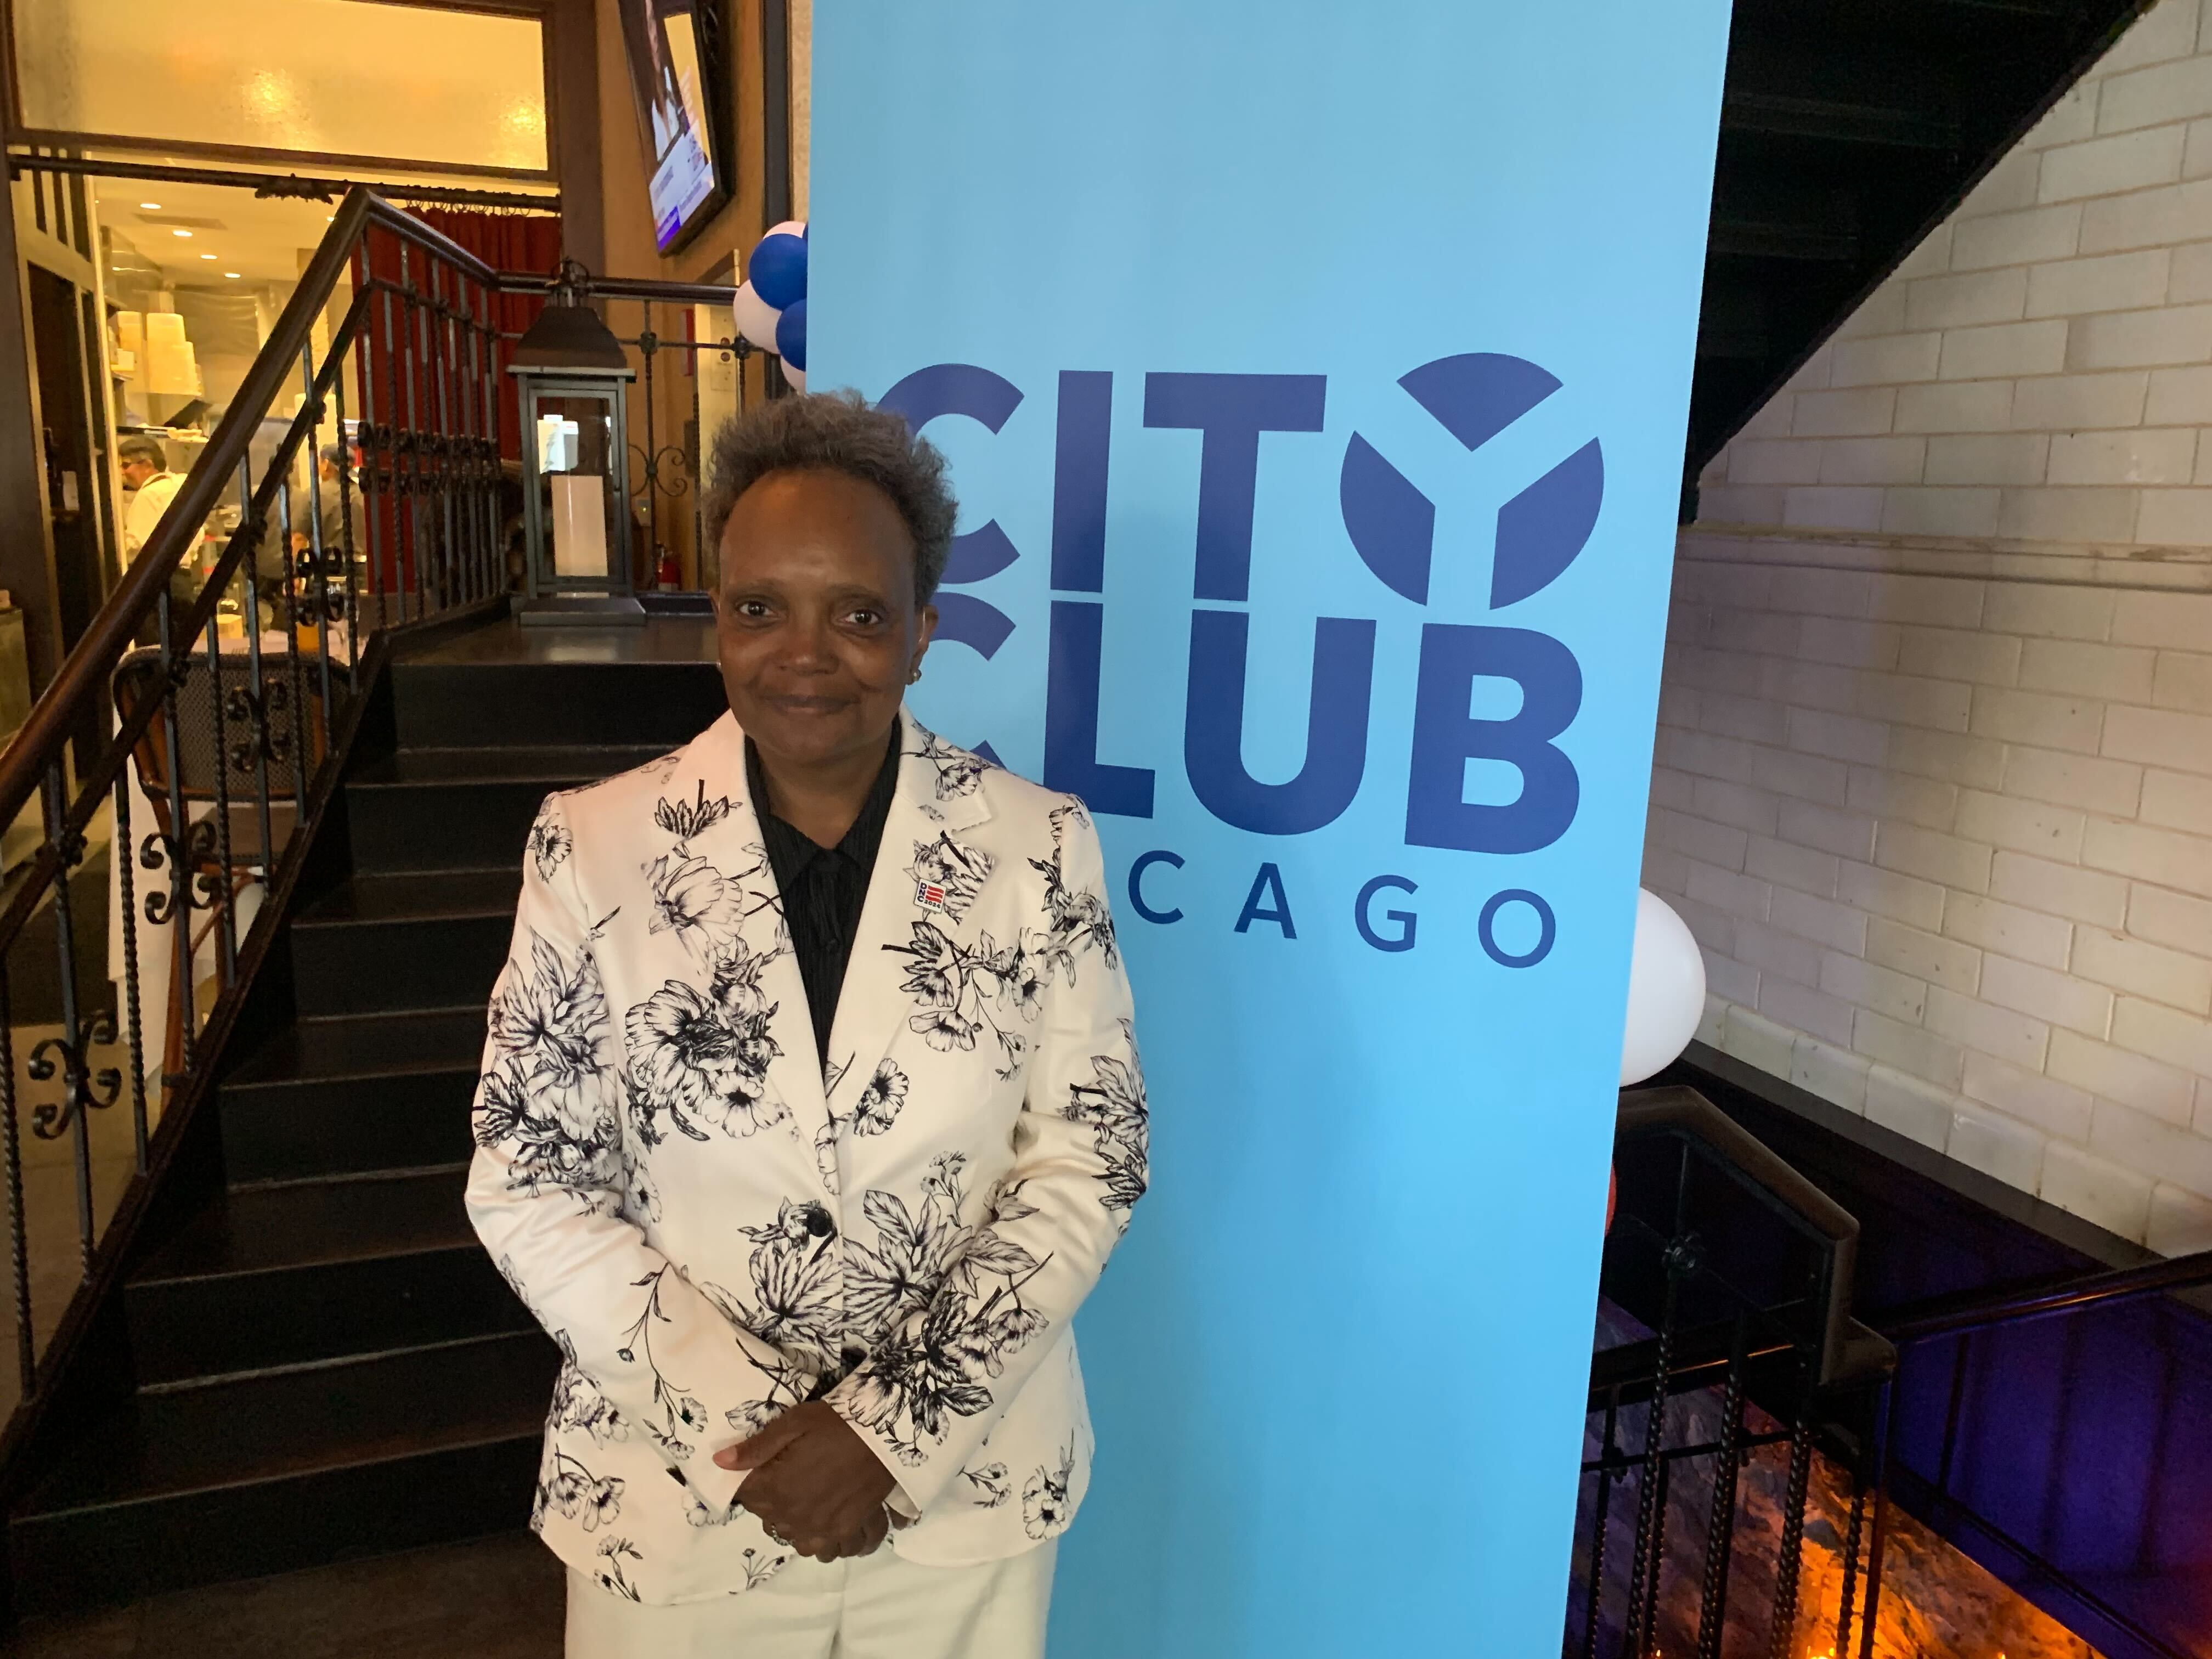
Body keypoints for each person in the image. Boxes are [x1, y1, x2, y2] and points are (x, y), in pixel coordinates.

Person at [467, 392, 1148, 1659]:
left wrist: (891, 1429)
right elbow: (529, 1185)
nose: (806, 650)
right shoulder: (592, 845)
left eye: (860, 612)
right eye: (760, 607)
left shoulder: (1036, 845)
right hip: (673, 1515)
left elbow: (1090, 1160)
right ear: (716, 621)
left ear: (924, 630)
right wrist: (757, 1439)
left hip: (964, 1510)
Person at [117, 435, 183, 560]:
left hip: (159, 572)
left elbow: (136, 545)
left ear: (147, 465)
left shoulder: (149, 494)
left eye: (126, 465)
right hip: (182, 574)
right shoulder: (178, 485)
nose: (122, 472)